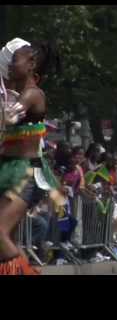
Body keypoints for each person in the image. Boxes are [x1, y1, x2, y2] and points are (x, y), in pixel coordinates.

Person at [0, 41, 63, 275]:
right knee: (10, 240)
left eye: (14, 59)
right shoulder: (18, 94)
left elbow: (12, 115)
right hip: (9, 170)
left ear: (31, 65)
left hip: (26, 173)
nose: (9, 64)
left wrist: (7, 114)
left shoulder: (32, 94)